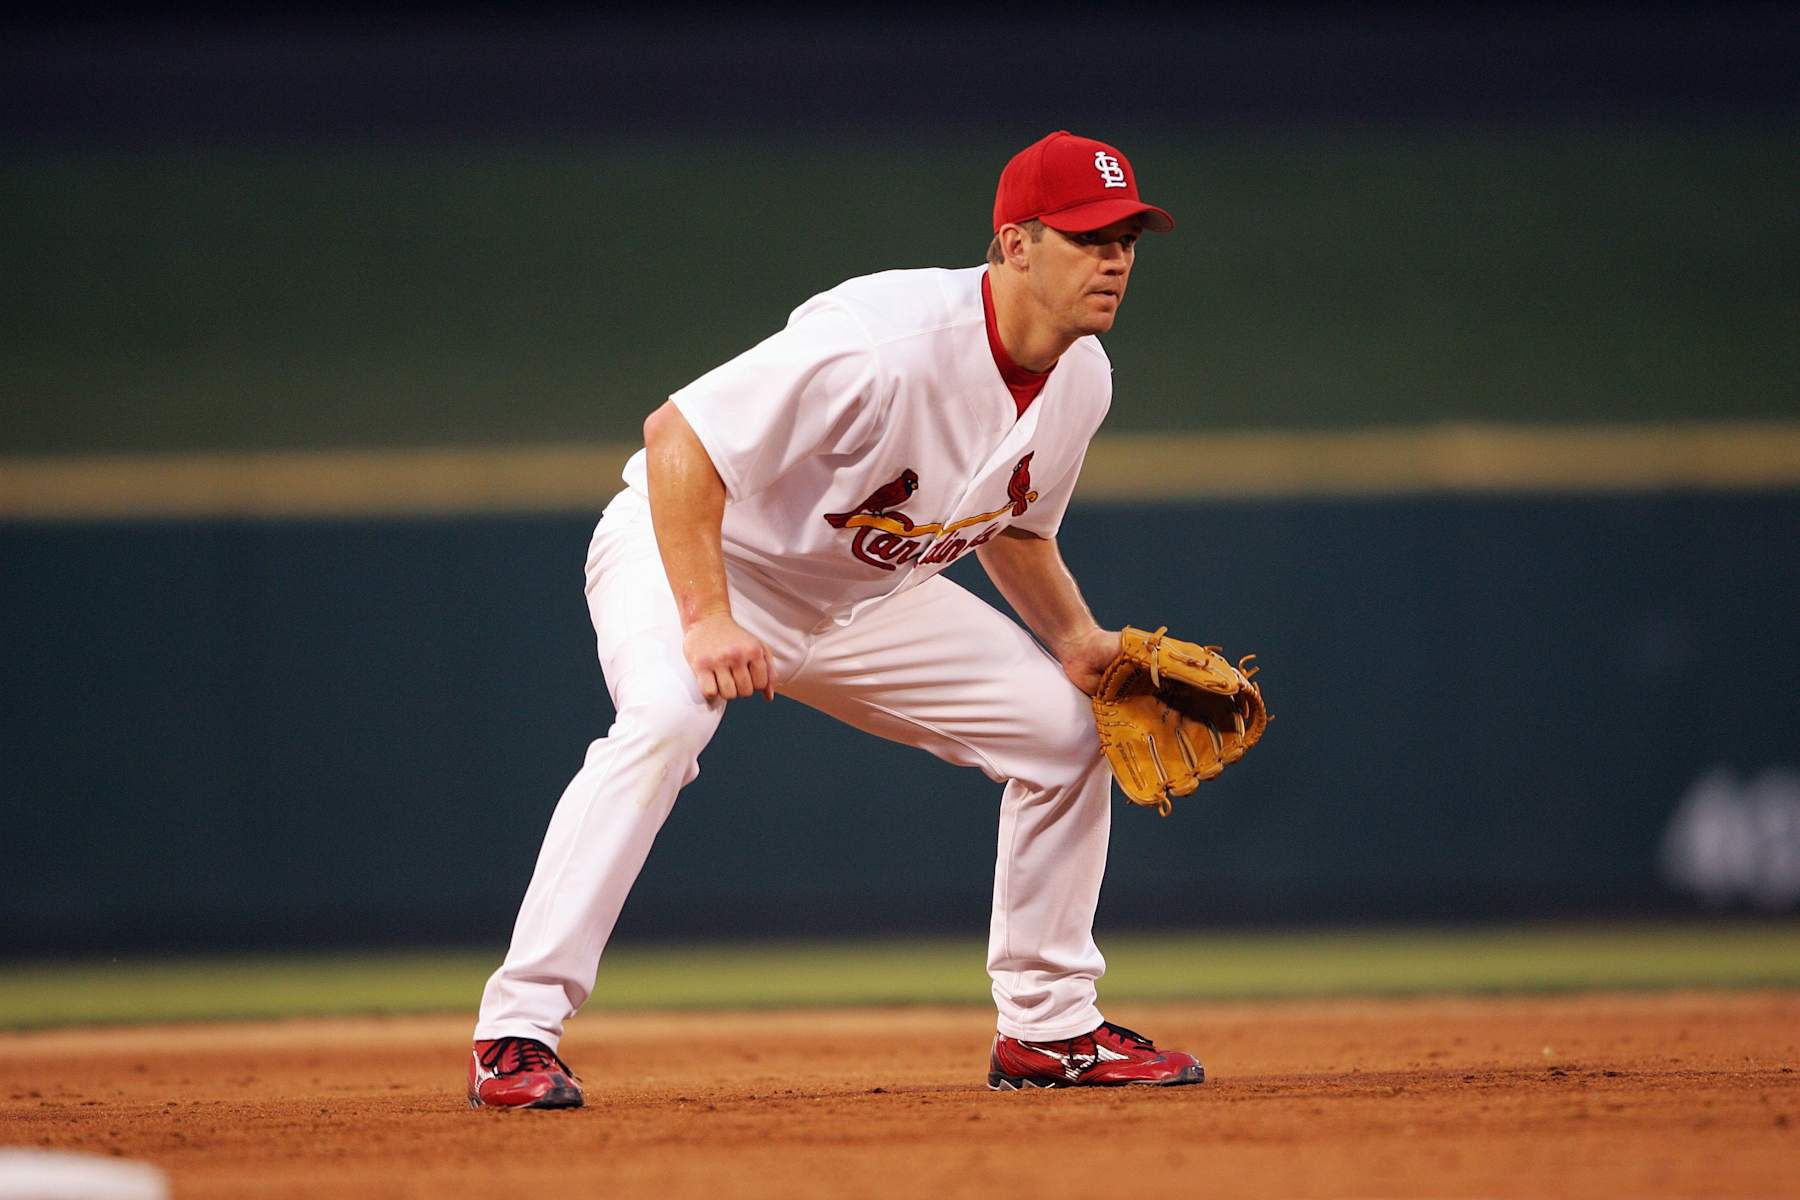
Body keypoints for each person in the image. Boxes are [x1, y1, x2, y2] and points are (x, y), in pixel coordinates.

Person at [467, 130, 1204, 1108]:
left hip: (861, 595)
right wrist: (707, 615)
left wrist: (1077, 642)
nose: (1113, 259)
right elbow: (678, 438)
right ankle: (516, 1030)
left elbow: (1015, 527)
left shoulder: (1083, 379)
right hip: (699, 552)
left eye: (1125, 239)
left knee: (1069, 737)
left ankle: (1048, 1027)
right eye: (1087, 237)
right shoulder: (882, 342)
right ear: (1015, 246)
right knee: (666, 720)